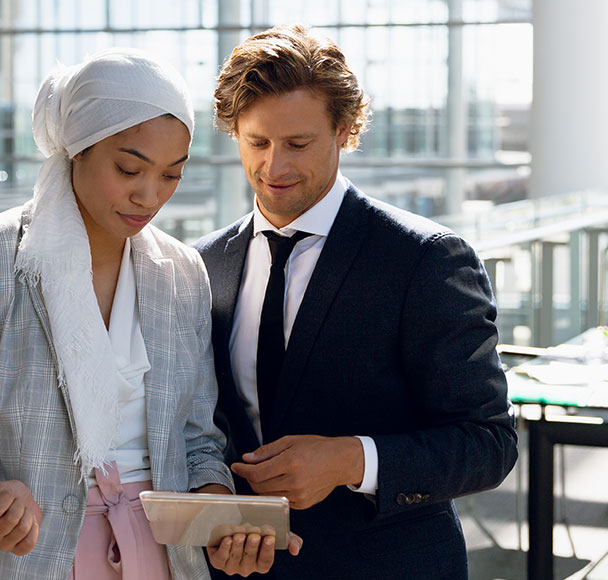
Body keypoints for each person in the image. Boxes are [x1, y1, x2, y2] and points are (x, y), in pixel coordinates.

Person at [0, 48, 282, 580]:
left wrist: (221, 519)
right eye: (129, 168)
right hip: (26, 561)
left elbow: (198, 442)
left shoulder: (181, 272)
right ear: (76, 151)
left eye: (171, 175)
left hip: (162, 557)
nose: (149, 195)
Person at [195, 24, 518, 579]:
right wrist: (214, 514)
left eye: (298, 144)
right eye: (257, 142)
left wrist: (350, 459)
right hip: (245, 571)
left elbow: (488, 442)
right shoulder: (201, 264)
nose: (275, 167)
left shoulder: (426, 259)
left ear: (344, 131)